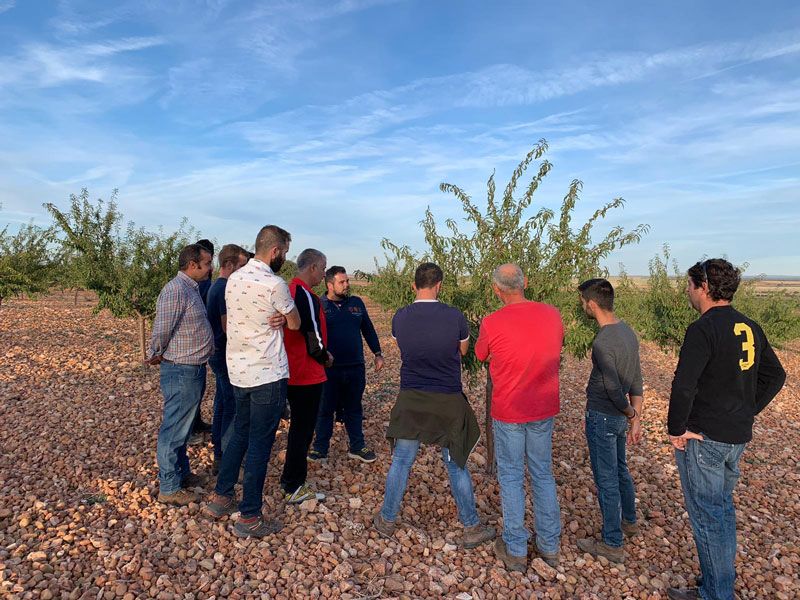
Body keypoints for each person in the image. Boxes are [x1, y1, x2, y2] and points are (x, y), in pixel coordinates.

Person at [666, 259, 786, 600]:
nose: (687, 292)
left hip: (704, 439)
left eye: (690, 285)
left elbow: (683, 385)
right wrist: (745, 411)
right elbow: (775, 376)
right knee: (721, 512)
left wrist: (676, 429)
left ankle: (717, 594)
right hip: (736, 438)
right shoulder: (750, 326)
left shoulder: (702, 329)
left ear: (703, 287)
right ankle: (714, 586)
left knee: (708, 518)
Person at [373, 262, 495, 549]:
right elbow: (463, 349)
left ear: (413, 285)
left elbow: (402, 346)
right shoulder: (454, 316)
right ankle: (471, 527)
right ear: (439, 284)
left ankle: (387, 519)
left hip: (411, 397)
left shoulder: (400, 317)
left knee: (401, 461)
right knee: (456, 464)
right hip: (447, 398)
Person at [203, 225, 301, 537]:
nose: (284, 258)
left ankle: (220, 497)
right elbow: (296, 323)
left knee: (241, 433)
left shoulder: (233, 279)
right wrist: (285, 317)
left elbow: (236, 319)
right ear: (275, 251)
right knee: (260, 443)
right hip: (267, 374)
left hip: (239, 371)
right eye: (284, 253)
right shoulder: (275, 284)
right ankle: (249, 517)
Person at [474, 264, 563, 571]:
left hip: (510, 410)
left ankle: (514, 549)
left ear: (497, 290)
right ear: (526, 282)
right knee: (542, 473)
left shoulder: (492, 321)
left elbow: (481, 355)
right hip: (543, 407)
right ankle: (549, 546)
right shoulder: (552, 315)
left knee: (511, 476)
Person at [575, 278, 644, 564]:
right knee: (620, 469)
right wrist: (636, 417)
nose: (582, 306)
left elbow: (613, 389)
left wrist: (630, 412)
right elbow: (637, 378)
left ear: (592, 304)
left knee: (606, 478)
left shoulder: (602, 341)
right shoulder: (628, 332)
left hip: (604, 415)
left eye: (582, 302)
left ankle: (612, 542)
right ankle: (629, 521)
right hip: (617, 418)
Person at [147, 243, 214, 506]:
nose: (211, 268)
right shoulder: (175, 290)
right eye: (207, 263)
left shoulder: (191, 289)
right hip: (181, 369)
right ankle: (169, 486)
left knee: (183, 426)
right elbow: (162, 329)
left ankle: (183, 475)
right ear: (192, 265)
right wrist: (156, 351)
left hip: (192, 367)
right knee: (174, 428)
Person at [309, 266, 384, 463]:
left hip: (355, 367)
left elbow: (368, 329)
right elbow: (311, 335)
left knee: (354, 408)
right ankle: (320, 448)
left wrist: (377, 353)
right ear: (330, 284)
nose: (346, 285)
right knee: (325, 409)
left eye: (347, 281)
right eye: (342, 282)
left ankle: (357, 446)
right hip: (329, 369)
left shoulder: (356, 303)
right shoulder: (319, 305)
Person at [281, 248, 333, 503]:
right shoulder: (305, 295)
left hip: (288, 370)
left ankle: (289, 480)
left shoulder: (286, 291)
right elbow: (313, 339)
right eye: (323, 269)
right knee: (302, 430)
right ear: (312, 267)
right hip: (306, 372)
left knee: (295, 429)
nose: (324, 275)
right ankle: (294, 484)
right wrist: (326, 358)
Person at [205, 244, 250, 472]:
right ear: (229, 265)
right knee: (232, 406)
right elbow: (228, 326)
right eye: (241, 266)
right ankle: (227, 459)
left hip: (217, 352)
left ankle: (219, 455)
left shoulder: (216, 287)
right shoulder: (224, 289)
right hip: (224, 354)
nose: (244, 271)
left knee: (222, 403)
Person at [190, 238, 215, 437]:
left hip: (201, 348)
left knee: (198, 389)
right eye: (206, 263)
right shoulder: (196, 286)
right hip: (190, 350)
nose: (209, 267)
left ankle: (196, 423)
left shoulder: (205, 282)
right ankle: (190, 430)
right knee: (189, 393)